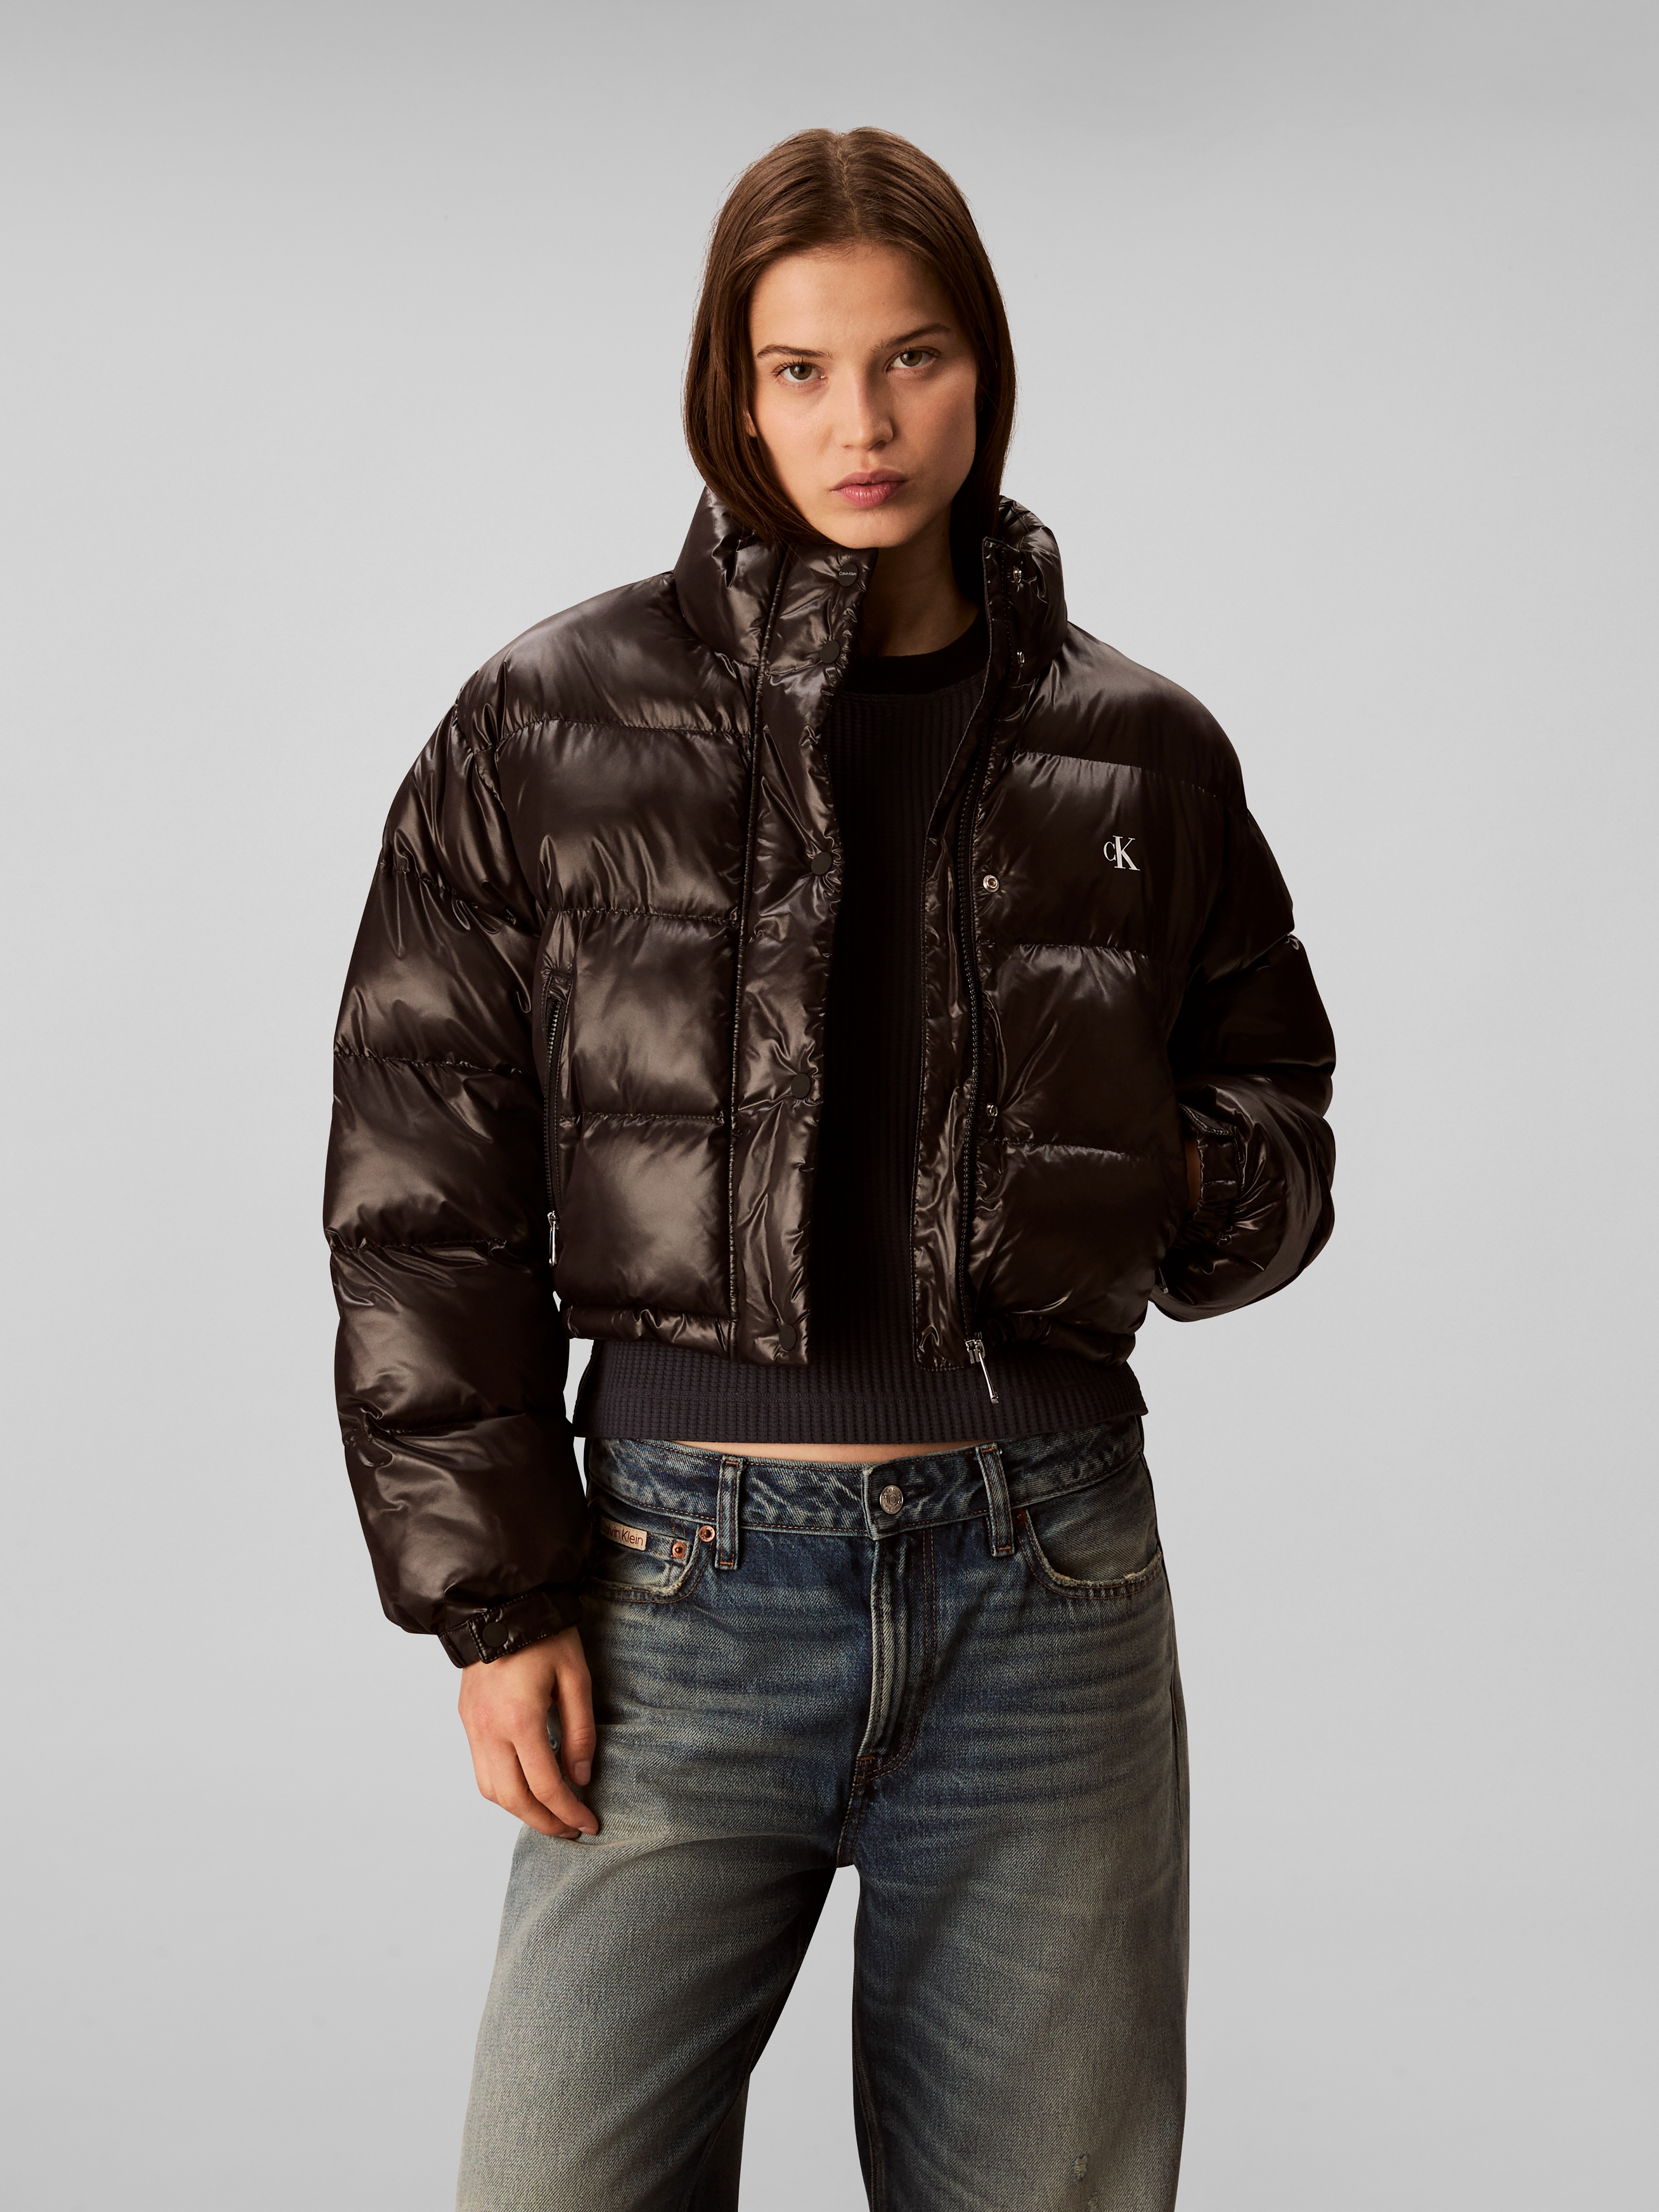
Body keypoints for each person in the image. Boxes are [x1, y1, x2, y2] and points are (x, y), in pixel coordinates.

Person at [325, 126, 1335, 2212]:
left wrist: (1132, 1181)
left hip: (1046, 1581)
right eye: (801, 370)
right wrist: (495, 1598)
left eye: (911, 359)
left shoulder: (1143, 750)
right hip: (675, 1580)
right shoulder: (546, 723)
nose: (860, 424)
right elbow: (422, 1180)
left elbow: (1274, 1113)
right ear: (735, 386)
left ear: (985, 373)